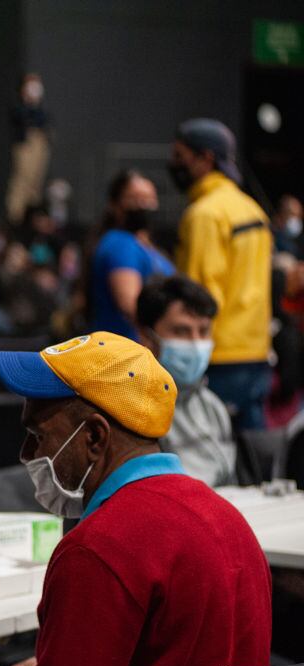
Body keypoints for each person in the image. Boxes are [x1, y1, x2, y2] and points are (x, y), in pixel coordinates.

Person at [0, 332, 271, 666]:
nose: (27, 454)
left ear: (94, 437)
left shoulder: (96, 550)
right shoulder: (228, 520)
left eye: (37, 436)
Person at [171, 118, 272, 430]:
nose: (174, 164)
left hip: (218, 356)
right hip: (257, 351)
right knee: (253, 455)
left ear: (206, 159)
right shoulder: (253, 209)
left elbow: (198, 293)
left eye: (180, 156)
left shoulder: (204, 214)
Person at [136, 276, 234, 486]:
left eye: (204, 331)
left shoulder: (212, 406)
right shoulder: (132, 413)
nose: (196, 343)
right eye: (181, 331)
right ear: (147, 338)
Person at [90, 170, 174, 339]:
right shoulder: (120, 244)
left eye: (150, 199)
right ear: (115, 204)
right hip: (129, 352)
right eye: (136, 199)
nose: (144, 205)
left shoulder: (147, 247)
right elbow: (130, 306)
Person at [5, 73, 51, 225]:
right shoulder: (19, 106)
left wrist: (35, 104)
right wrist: (28, 103)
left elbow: (43, 119)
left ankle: (32, 214)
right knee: (23, 177)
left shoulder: (41, 107)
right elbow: (20, 117)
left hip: (39, 142)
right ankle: (16, 216)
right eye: (31, 84)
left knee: (36, 179)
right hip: (25, 144)